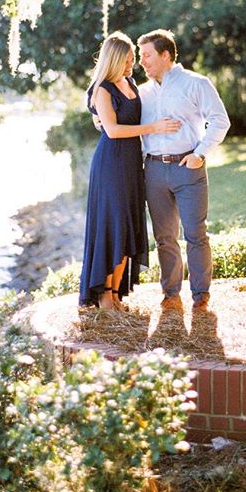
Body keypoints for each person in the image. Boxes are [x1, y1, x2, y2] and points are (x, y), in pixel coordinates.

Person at [79, 31, 181, 310]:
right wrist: (153, 128)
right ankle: (103, 296)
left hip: (133, 164)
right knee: (113, 225)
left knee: (129, 226)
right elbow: (111, 130)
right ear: (113, 59)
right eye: (127, 59)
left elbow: (139, 111)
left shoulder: (131, 83)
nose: (132, 63)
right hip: (110, 164)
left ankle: (115, 293)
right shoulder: (103, 89)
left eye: (133, 58)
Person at [138, 29, 230, 313]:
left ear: (165, 55)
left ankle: (201, 294)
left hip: (187, 169)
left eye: (147, 55)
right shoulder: (142, 92)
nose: (142, 61)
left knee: (195, 233)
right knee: (164, 237)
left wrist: (199, 154)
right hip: (153, 170)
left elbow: (220, 120)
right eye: (141, 56)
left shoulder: (196, 83)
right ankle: (170, 292)